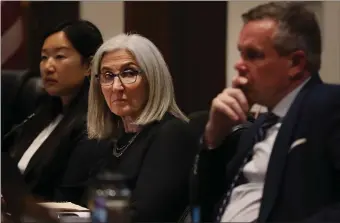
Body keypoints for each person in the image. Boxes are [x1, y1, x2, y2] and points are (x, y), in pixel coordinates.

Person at [196, 2, 340, 222]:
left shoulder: (328, 105)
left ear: (295, 63)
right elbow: (202, 203)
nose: (239, 66)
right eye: (240, 54)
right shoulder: (257, 127)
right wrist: (214, 138)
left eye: (253, 55)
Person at [65, 33, 197, 222]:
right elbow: (89, 208)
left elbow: (145, 217)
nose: (116, 87)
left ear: (153, 78)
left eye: (129, 73)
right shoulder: (112, 140)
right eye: (108, 76)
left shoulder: (172, 134)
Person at [3, 20, 104, 202]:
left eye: (59, 57)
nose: (48, 67)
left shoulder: (92, 125)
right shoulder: (41, 113)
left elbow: (67, 200)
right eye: (44, 57)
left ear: (89, 65)